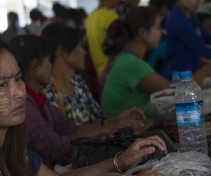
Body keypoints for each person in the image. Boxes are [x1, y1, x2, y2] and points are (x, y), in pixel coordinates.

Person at [0, 39, 170, 176]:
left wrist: (120, 161)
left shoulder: (13, 149)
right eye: (3, 84)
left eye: (18, 79)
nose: (18, 92)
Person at [11, 35, 142, 169]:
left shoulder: (39, 96)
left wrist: (115, 121)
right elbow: (53, 146)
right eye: (48, 61)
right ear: (35, 66)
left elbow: (72, 129)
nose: (50, 65)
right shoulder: (26, 103)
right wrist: (106, 129)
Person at [101, 7, 211, 118]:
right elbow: (175, 94)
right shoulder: (131, 63)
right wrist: (205, 72)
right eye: (157, 27)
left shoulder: (127, 58)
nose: (161, 33)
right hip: (127, 131)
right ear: (143, 32)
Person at [40, 24, 146, 127]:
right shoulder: (47, 92)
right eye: (79, 46)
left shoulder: (77, 82)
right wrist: (113, 123)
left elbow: (99, 119)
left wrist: (119, 119)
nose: (84, 53)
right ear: (62, 51)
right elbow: (65, 136)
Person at [86, 0, 121, 77]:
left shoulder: (91, 16)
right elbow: (114, 45)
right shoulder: (110, 16)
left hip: (99, 71)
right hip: (112, 69)